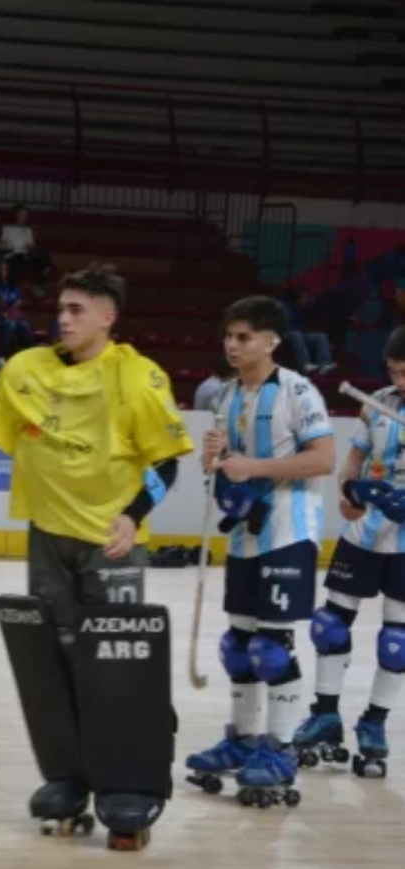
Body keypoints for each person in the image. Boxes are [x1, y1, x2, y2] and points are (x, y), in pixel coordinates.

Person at [0, 264, 194, 847]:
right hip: (48, 538)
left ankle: (131, 782)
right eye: (61, 308)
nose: (62, 319)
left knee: (118, 667)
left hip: (109, 543)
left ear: (108, 318)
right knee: (56, 664)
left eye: (77, 310)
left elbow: (167, 461)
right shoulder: (25, 370)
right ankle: (73, 776)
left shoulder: (139, 378)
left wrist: (132, 515)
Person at [184, 296, 335, 809]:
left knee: (272, 648)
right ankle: (243, 739)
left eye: (244, 337)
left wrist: (252, 468)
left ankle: (283, 747)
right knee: (239, 645)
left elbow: (323, 460)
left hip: (289, 532)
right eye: (228, 335)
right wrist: (217, 461)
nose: (232, 344)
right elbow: (230, 462)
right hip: (246, 535)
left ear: (271, 341)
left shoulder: (298, 391)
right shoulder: (224, 395)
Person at [294, 325, 405, 779]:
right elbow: (354, 461)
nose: (400, 382)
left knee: (397, 642)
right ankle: (325, 713)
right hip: (363, 533)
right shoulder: (377, 403)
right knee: (330, 624)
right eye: (396, 371)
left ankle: (375, 723)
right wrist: (347, 493)